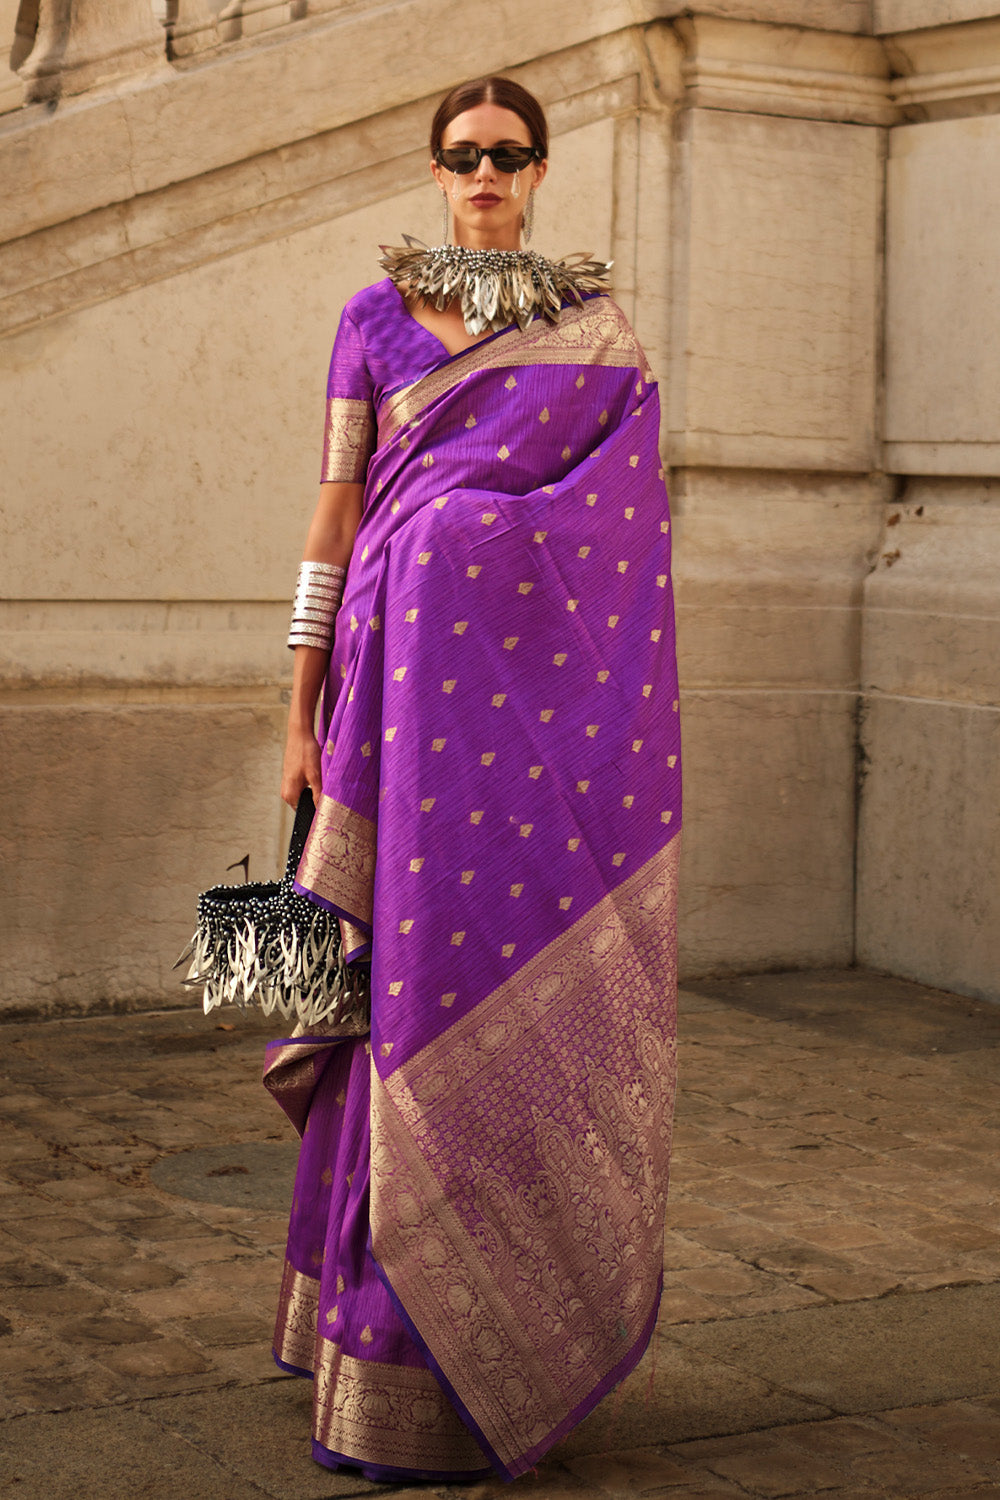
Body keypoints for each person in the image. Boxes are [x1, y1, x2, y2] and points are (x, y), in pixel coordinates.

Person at [262, 75, 682, 1483]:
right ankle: (358, 1328)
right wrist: (299, 696)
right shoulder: (371, 322)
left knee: (460, 1001)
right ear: (434, 173)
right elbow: (335, 508)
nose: (486, 175)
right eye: (463, 157)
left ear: (543, 171)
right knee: (366, 1004)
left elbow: (621, 548)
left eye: (508, 156)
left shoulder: (601, 338)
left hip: (516, 752)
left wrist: (457, 544)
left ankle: (490, 1345)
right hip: (378, 717)